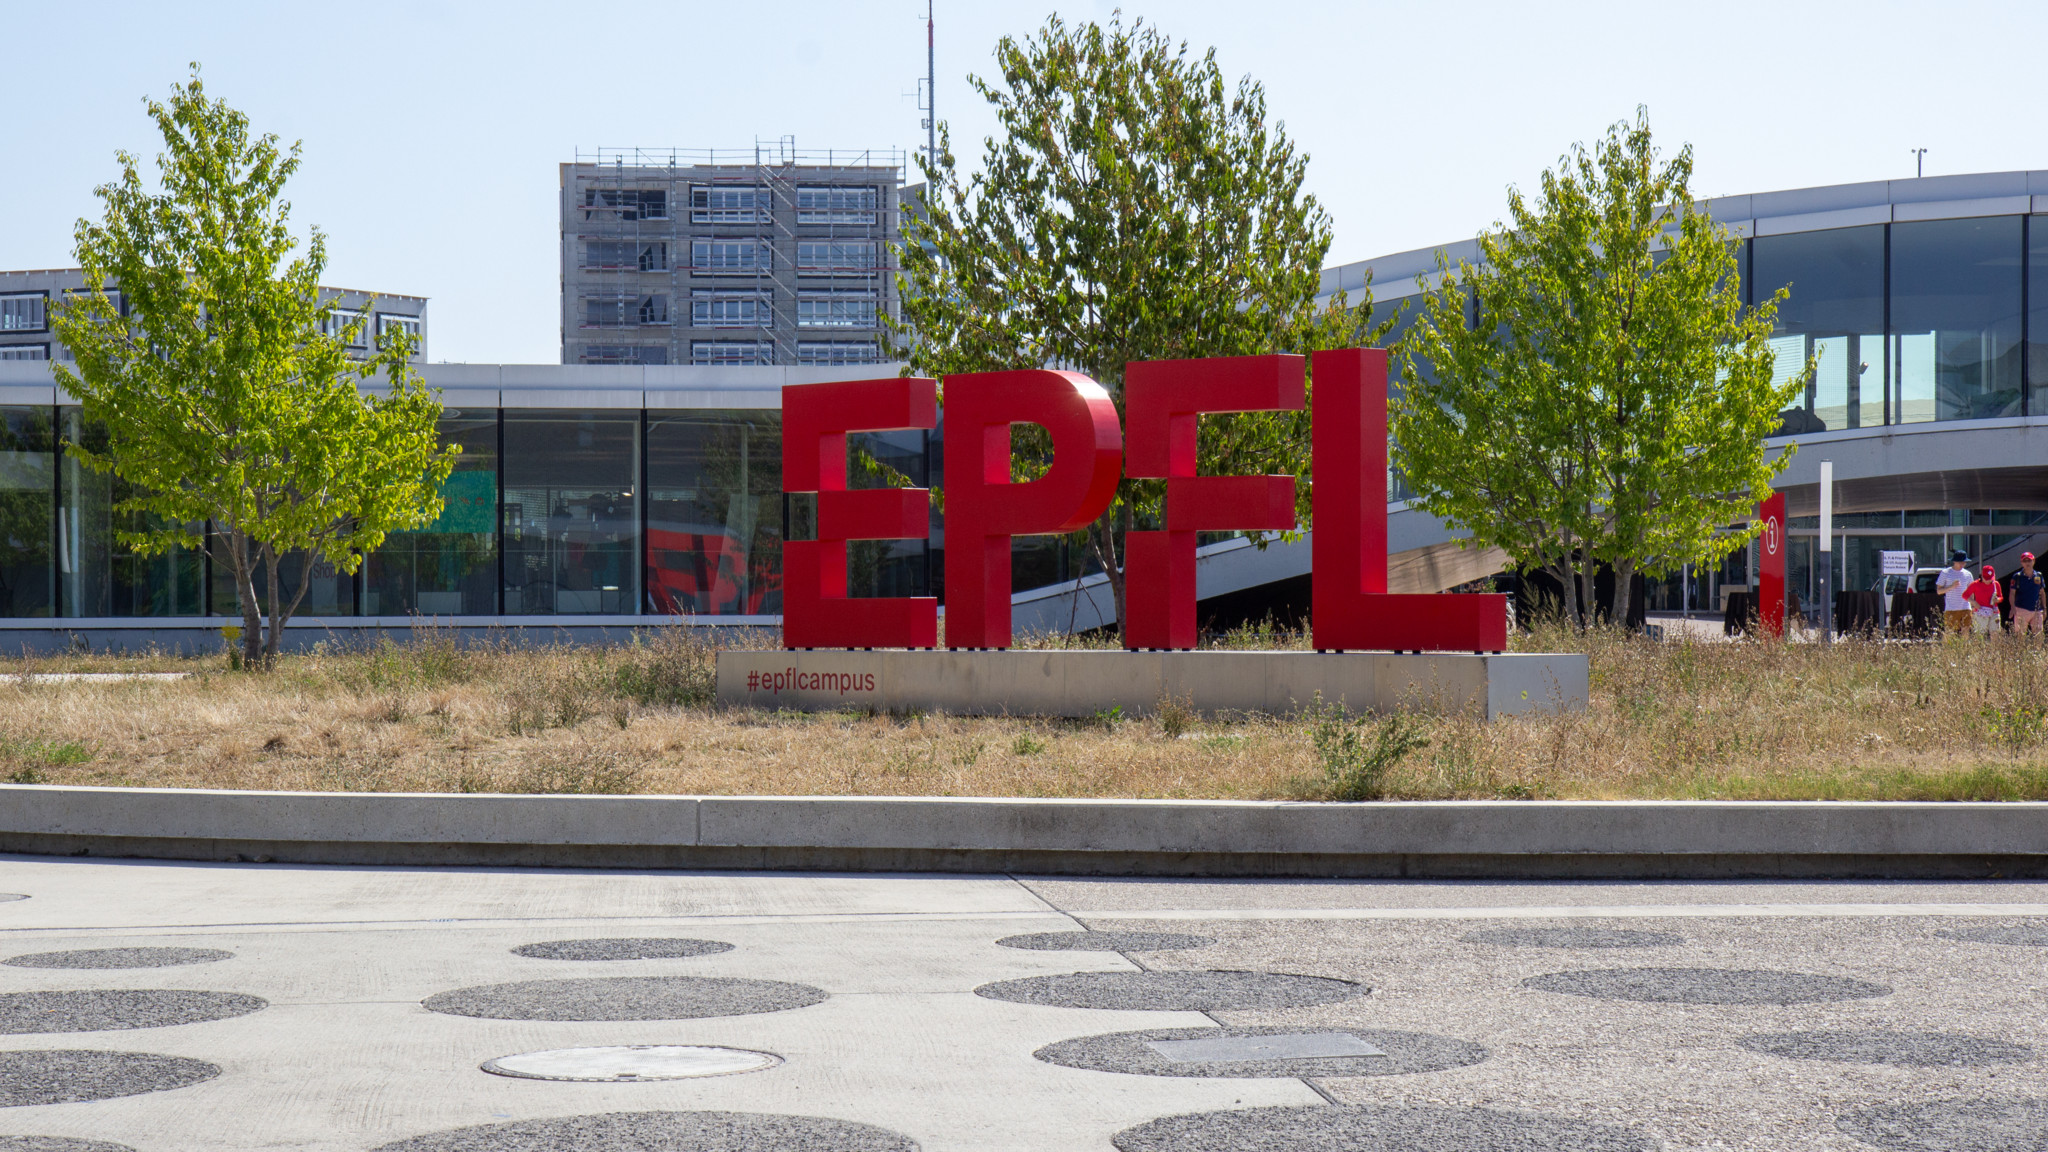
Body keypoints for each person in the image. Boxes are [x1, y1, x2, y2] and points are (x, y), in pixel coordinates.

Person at [1936, 550, 1974, 637]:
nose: (1963, 564)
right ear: (1954, 562)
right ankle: (1948, 650)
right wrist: (1951, 587)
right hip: (1951, 608)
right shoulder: (1945, 573)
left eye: (1964, 562)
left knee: (1966, 632)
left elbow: (1971, 591)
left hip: (1966, 607)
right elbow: (1939, 591)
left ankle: (1964, 650)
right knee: (1949, 633)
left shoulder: (1968, 574)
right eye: (1961, 562)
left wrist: (1972, 606)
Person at [2013, 552, 2046, 637]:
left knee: (2039, 635)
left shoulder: (2038, 575)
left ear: (2034, 561)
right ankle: (2020, 650)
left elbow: (2042, 592)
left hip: (2036, 610)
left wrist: (2044, 608)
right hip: (2021, 608)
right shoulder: (2017, 576)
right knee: (2020, 635)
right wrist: (2012, 607)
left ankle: (2038, 650)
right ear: (2021, 563)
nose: (2027, 563)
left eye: (2029, 560)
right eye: (2025, 561)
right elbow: (2012, 593)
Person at [1967, 564, 2002, 637]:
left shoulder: (1996, 584)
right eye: (1986, 578)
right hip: (1980, 612)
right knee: (1979, 634)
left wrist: (1997, 600)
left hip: (1994, 611)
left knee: (1995, 633)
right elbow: (1965, 595)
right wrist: (1973, 602)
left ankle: (1994, 648)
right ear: (1982, 576)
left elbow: (2001, 597)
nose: (1988, 580)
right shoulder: (1975, 584)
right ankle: (1979, 648)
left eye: (1990, 578)